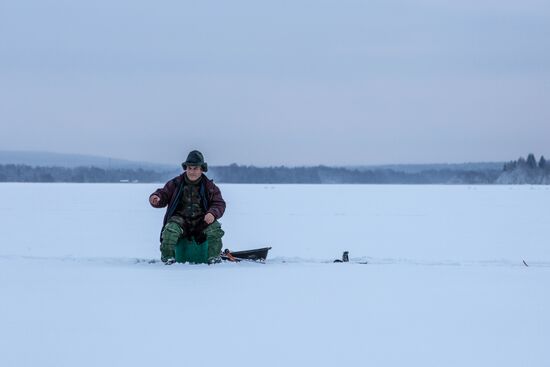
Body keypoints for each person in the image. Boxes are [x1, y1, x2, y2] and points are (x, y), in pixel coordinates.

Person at [149, 150, 226, 265]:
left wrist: (212, 213)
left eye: (195, 168)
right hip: (180, 220)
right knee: (170, 229)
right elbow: (163, 194)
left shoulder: (210, 187)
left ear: (201, 169)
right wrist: (156, 198)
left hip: (201, 221)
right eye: (189, 168)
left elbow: (219, 203)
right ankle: (168, 259)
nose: (192, 171)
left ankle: (214, 259)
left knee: (215, 229)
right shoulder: (176, 183)